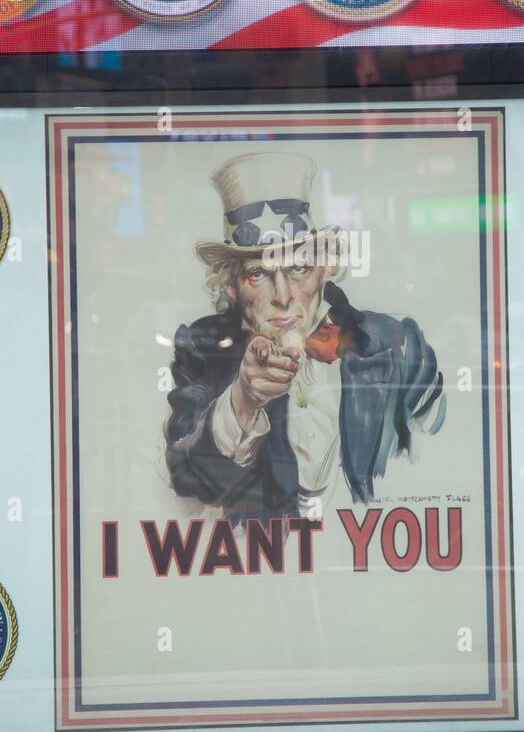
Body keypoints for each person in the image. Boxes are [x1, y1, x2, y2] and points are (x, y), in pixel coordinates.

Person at [165, 151, 445, 522]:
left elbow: (436, 472)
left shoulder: (398, 344)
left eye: (298, 267)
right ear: (231, 287)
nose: (283, 296)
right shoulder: (202, 349)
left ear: (326, 266)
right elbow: (186, 478)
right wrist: (242, 402)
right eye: (258, 274)